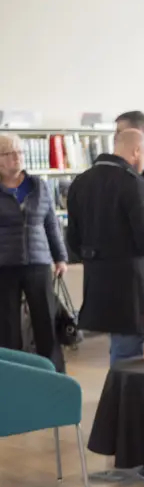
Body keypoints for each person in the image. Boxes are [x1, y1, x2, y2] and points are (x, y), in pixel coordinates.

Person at [66, 129, 144, 365]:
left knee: (120, 345)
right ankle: (127, 400)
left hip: (97, 279)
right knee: (131, 349)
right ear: (135, 151)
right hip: (131, 283)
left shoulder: (80, 182)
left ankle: (121, 397)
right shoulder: (133, 183)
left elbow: (72, 240)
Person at [0, 133, 67, 372]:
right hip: (4, 265)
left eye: (19, 152)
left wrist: (60, 257)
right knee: (7, 324)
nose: (16, 157)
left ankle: (55, 371)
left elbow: (51, 223)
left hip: (38, 262)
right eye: (9, 153)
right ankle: (14, 372)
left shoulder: (38, 185)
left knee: (45, 319)